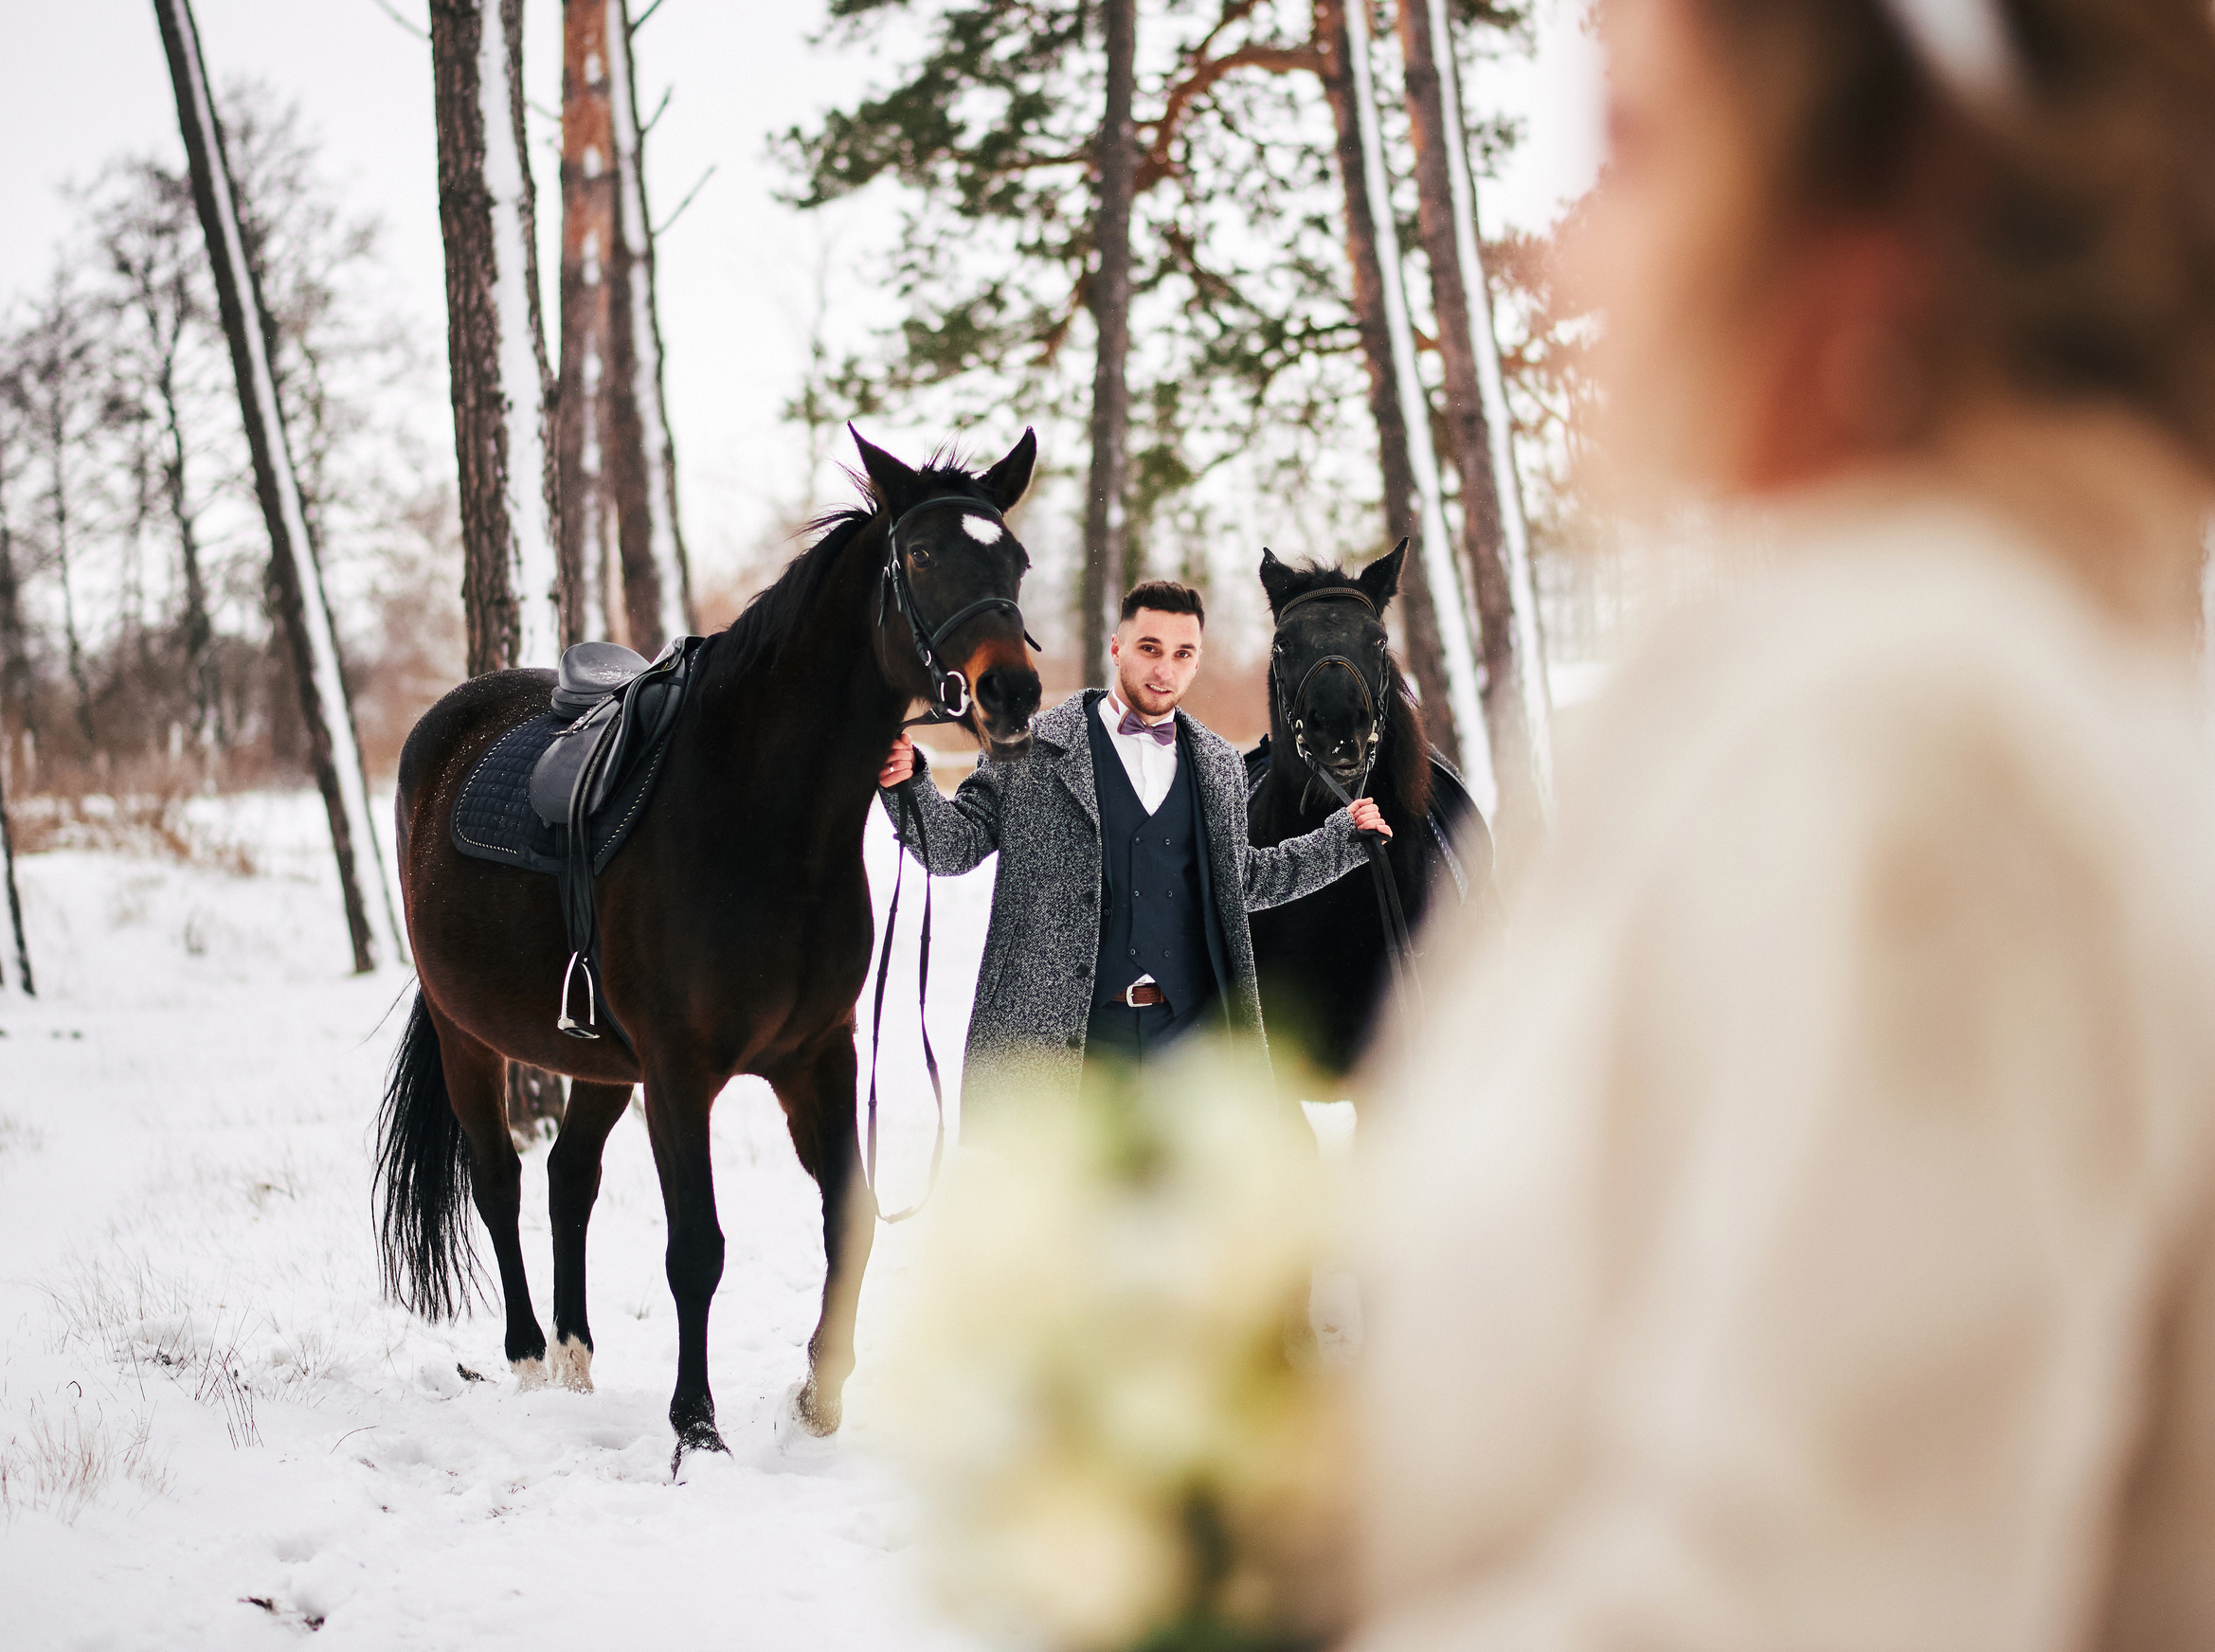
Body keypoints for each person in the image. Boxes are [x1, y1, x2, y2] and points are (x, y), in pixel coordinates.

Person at [1350, 0, 2215, 1646]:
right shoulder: (1992, 656)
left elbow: (1810, 1587)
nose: (1560, 256)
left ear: (1894, 209)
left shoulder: (1919, 733)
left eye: (1634, 144)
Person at [877, 580, 1390, 1113]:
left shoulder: (1219, 766)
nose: (1164, 670)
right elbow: (953, 847)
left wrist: (1339, 841)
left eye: (1182, 653)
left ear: (1196, 663)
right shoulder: (1026, 750)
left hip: (1190, 1044)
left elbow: (1240, 884)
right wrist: (910, 783)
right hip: (1069, 1047)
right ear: (1117, 647)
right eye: (1149, 648)